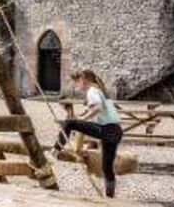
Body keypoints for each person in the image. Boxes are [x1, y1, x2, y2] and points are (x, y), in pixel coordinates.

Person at [53, 68, 123, 198]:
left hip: (107, 130)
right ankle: (110, 196)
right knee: (107, 168)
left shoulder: (92, 91)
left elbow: (98, 107)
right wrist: (82, 117)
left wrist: (83, 119)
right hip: (116, 131)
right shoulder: (99, 90)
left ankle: (56, 149)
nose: (75, 86)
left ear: (83, 79)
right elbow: (99, 110)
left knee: (69, 123)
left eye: (76, 82)